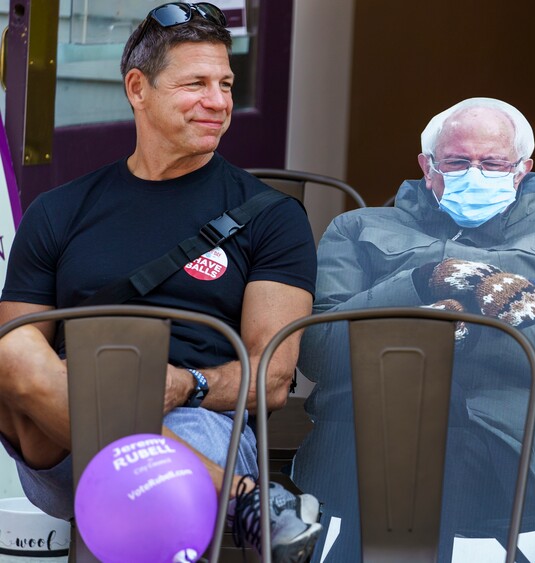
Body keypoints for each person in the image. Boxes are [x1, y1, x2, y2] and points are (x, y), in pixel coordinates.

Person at [0, 3, 321, 560]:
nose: (219, 102)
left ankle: (210, 481)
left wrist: (185, 384)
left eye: (225, 83)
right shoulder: (59, 211)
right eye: (196, 83)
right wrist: (96, 393)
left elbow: (271, 379)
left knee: (150, 490)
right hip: (63, 428)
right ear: (137, 88)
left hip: (200, 422)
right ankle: (244, 499)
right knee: (12, 351)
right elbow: (14, 356)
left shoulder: (270, 216)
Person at [291, 97, 535, 561]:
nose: (475, 173)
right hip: (359, 429)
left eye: (492, 163)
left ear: (521, 170)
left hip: (498, 438)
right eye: (457, 162)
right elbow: (317, 350)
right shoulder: (356, 228)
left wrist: (473, 332)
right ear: (428, 168)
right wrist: (418, 281)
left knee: (430, 443)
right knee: (403, 441)